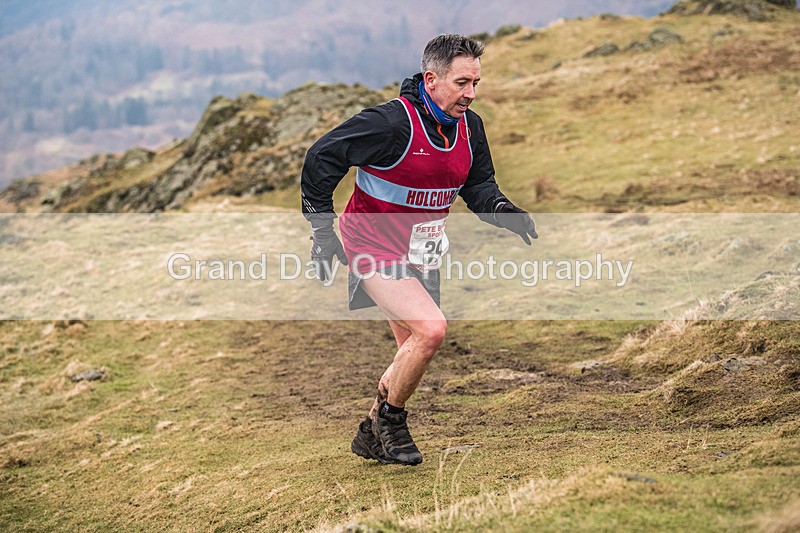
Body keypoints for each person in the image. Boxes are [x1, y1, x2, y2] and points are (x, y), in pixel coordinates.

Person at [300, 34, 537, 466]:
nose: (471, 93)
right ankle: (392, 422)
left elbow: (478, 185)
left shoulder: (470, 127)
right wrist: (322, 230)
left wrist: (504, 210)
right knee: (431, 330)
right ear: (431, 79)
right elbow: (322, 157)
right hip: (370, 245)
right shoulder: (390, 124)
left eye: (476, 83)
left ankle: (371, 431)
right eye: (462, 83)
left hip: (422, 253)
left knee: (411, 348)